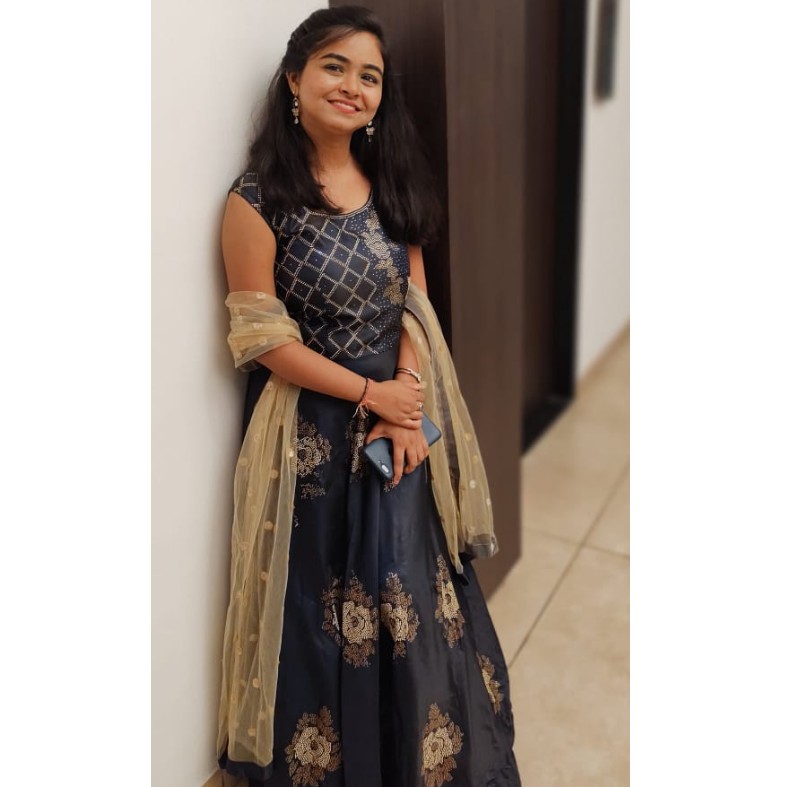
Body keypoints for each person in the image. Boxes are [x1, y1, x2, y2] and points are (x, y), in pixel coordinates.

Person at [216, 7, 521, 786]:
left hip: (398, 419)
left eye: (369, 76)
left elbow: (413, 298)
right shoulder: (256, 200)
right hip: (311, 438)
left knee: (410, 587)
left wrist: (408, 396)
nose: (352, 86)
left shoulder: (389, 181)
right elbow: (262, 340)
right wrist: (371, 394)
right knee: (325, 609)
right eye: (334, 66)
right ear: (294, 79)